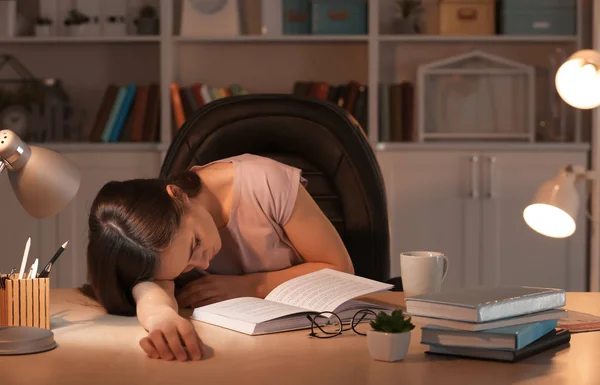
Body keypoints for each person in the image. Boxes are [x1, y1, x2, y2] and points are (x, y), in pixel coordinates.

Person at [84, 153, 354, 362]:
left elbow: (340, 269)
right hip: (241, 351)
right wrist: (160, 317)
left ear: (178, 195)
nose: (203, 264)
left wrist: (250, 285)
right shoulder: (157, 236)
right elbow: (153, 285)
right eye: (185, 267)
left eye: (196, 243)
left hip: (317, 339)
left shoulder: (264, 182)